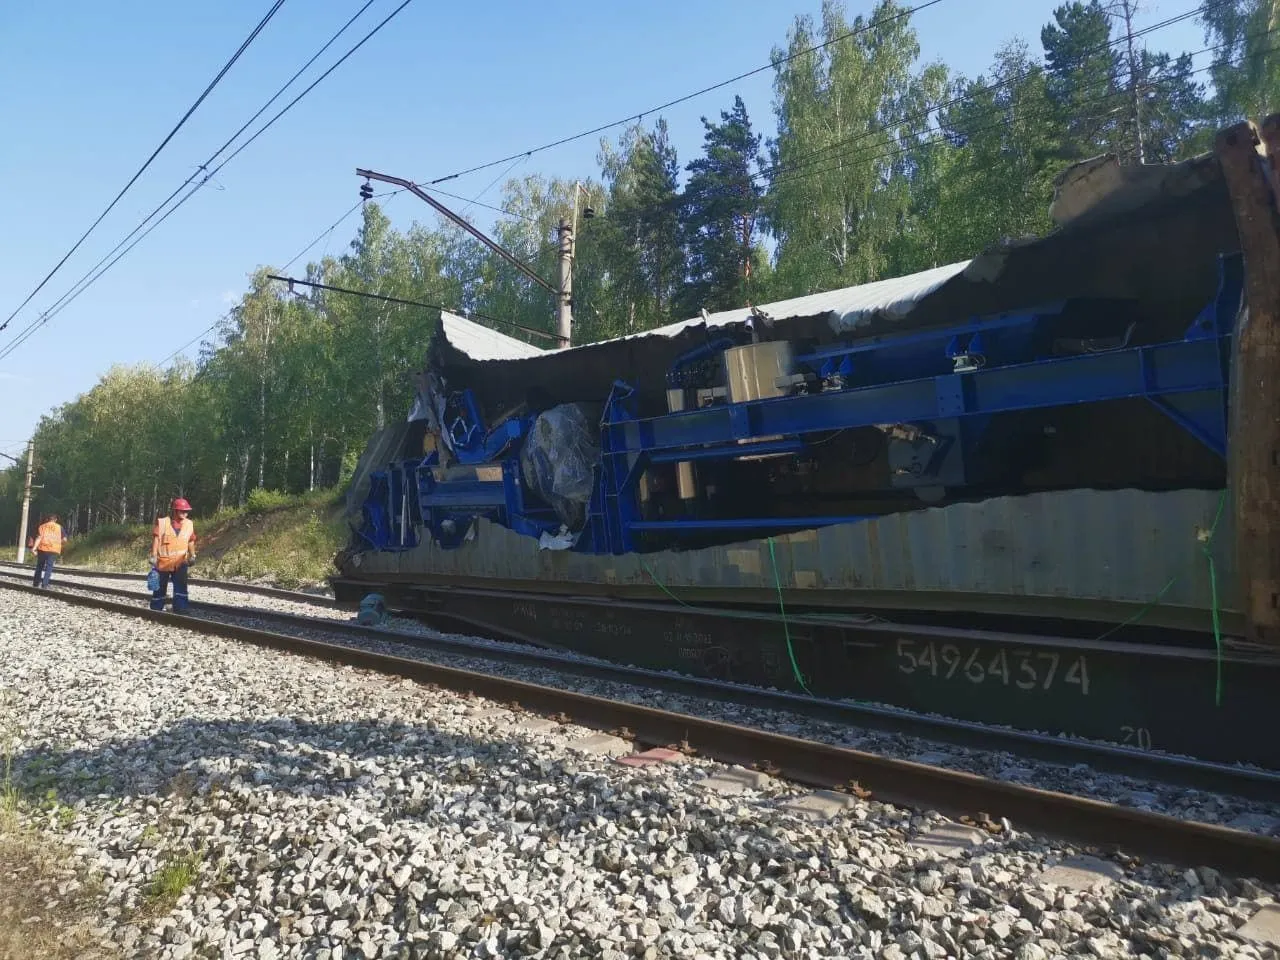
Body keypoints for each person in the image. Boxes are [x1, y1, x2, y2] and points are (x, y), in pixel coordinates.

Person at [150, 497, 197, 612]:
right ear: (175, 511)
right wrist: (154, 556)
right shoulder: (162, 522)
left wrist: (193, 555)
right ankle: (156, 609)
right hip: (163, 562)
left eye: (187, 511)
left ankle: (181, 608)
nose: (185, 513)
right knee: (159, 587)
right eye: (182, 511)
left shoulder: (189, 524)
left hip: (181, 562)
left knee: (181, 587)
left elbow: (190, 541)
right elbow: (156, 539)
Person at [29, 513, 66, 589]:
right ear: (55, 520)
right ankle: (44, 585)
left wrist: (34, 548)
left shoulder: (42, 526)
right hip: (54, 549)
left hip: (43, 548)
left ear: (47, 519)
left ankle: (36, 584)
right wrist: (58, 543)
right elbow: (65, 539)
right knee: (49, 567)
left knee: (39, 566)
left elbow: (39, 538)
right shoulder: (59, 527)